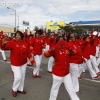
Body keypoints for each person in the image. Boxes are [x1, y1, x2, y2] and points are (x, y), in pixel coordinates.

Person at [1, 31, 36, 97]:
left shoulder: (25, 43)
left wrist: (32, 61)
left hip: (23, 63)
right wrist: (3, 44)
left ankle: (20, 89)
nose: (17, 36)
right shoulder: (12, 43)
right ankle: (14, 89)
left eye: (19, 35)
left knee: (22, 76)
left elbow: (28, 53)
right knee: (18, 77)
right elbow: (4, 48)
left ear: (22, 36)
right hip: (15, 63)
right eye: (16, 35)